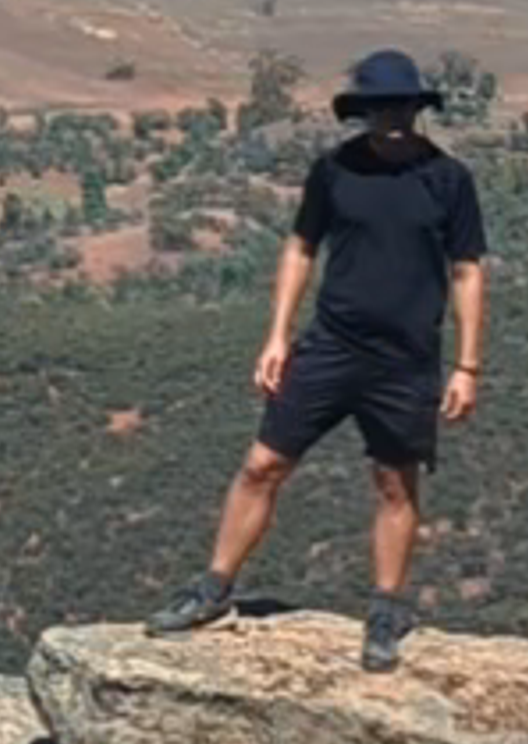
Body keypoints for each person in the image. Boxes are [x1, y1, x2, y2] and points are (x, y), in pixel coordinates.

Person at [157, 49, 488, 674]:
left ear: (416, 109)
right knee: (262, 464)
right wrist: (277, 335)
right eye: (377, 107)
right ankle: (211, 588)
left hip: (405, 357)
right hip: (331, 344)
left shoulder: (449, 180)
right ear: (360, 113)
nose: (388, 117)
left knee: (395, 482)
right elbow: (301, 247)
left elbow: (468, 270)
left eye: (398, 105)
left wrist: (468, 366)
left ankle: (386, 611)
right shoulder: (334, 172)